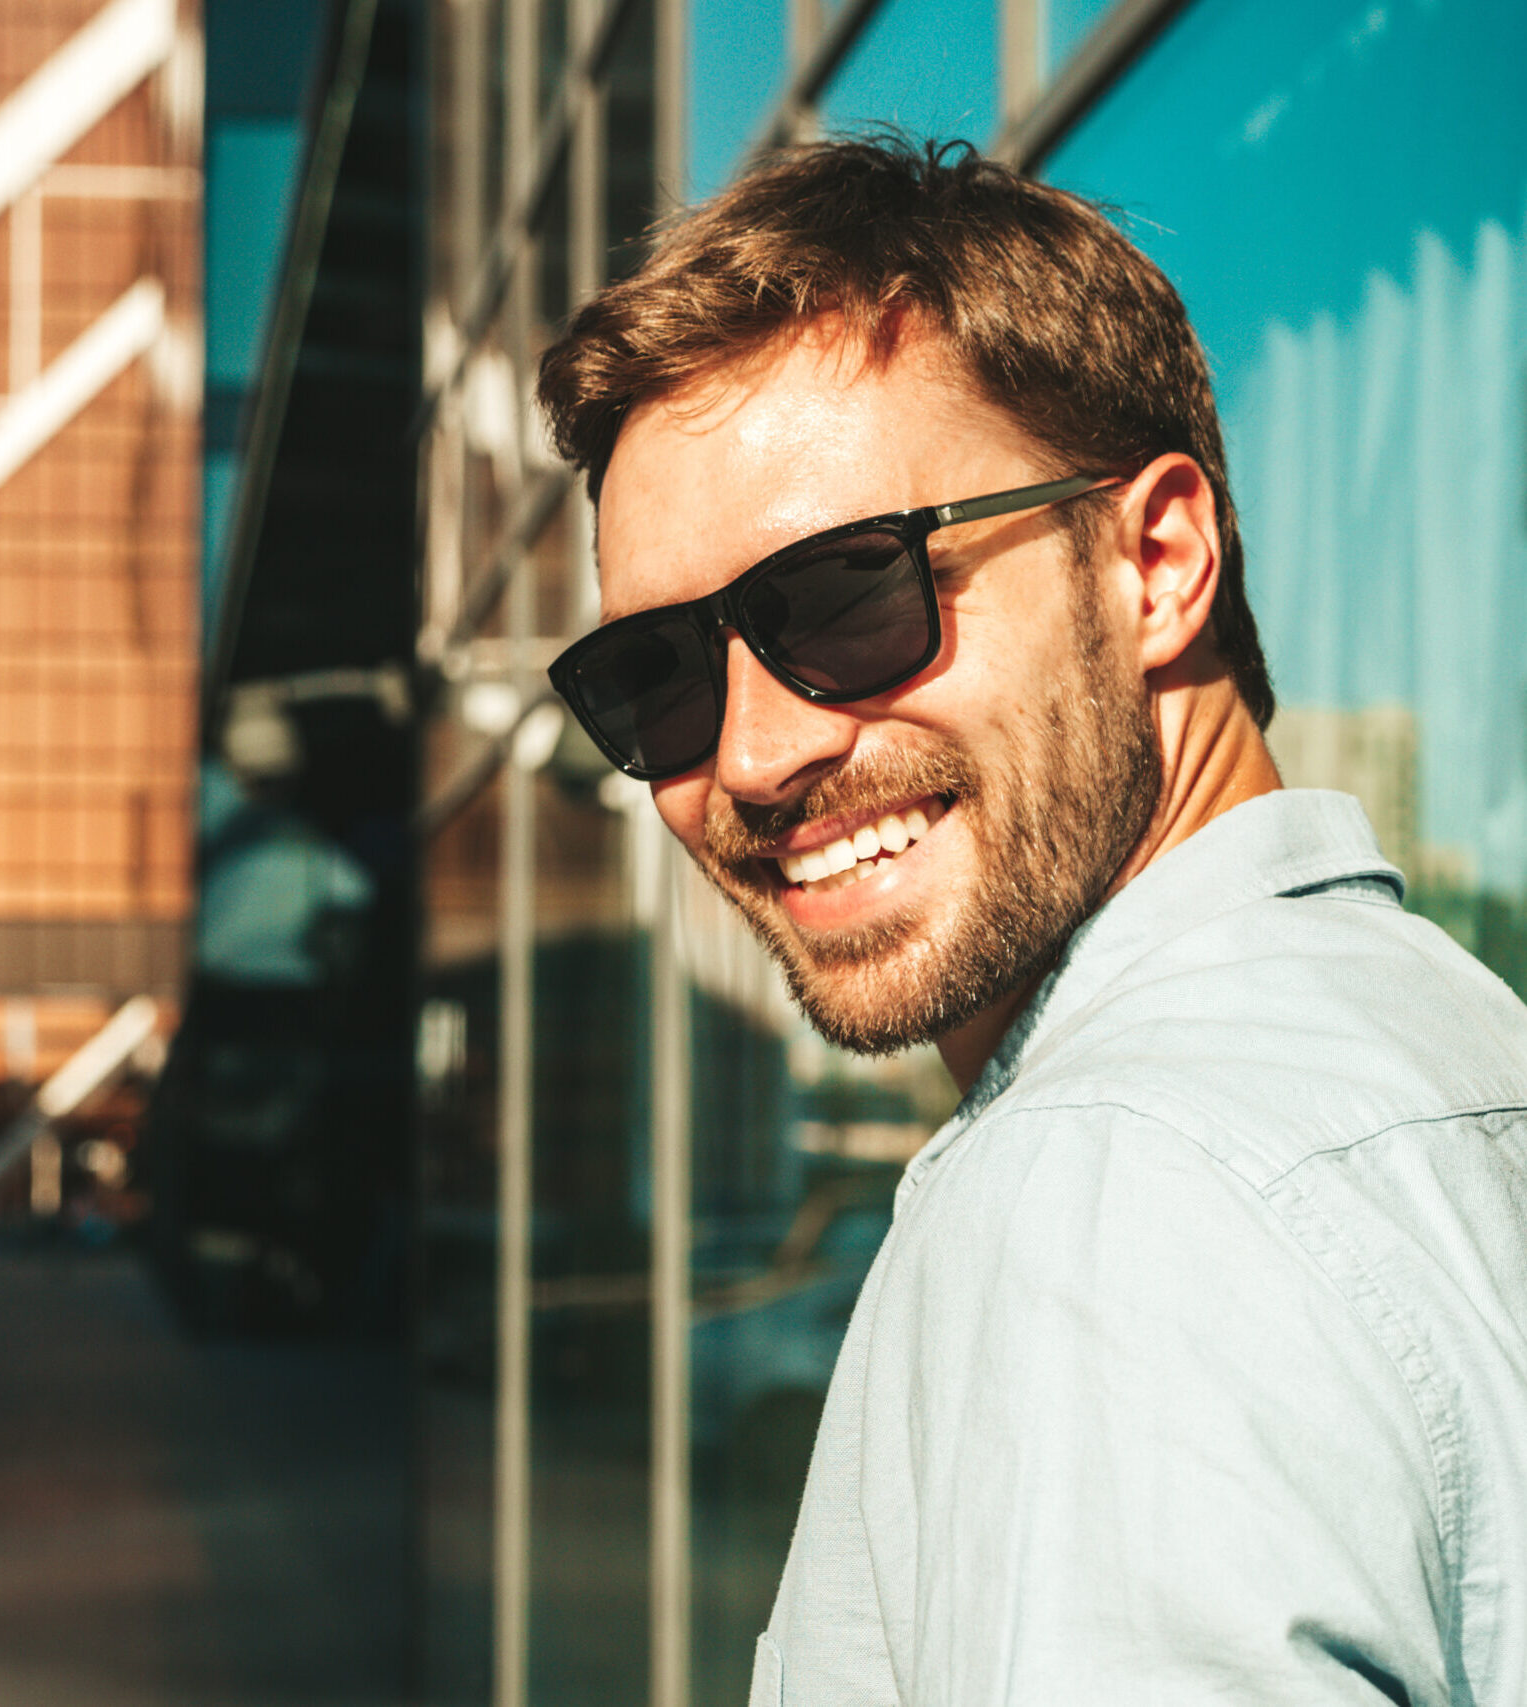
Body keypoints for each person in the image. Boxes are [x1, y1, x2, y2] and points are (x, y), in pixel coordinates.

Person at [536, 137, 1527, 1703]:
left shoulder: (1118, 1180)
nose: (753, 753)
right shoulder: (1456, 1056)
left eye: (850, 593)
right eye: (652, 677)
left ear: (1154, 562)